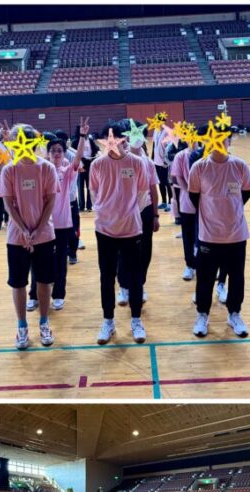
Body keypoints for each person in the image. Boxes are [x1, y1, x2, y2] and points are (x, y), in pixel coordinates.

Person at [188, 127, 250, 338]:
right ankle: (202, 315)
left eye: (223, 139)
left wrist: (230, 211)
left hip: (236, 235)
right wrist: (212, 214)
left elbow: (245, 193)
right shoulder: (199, 167)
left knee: (237, 277)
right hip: (209, 236)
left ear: (229, 141)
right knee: (205, 279)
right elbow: (194, 197)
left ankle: (234, 314)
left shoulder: (240, 165)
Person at [0, 123, 59, 349]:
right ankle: (22, 326)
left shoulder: (47, 168)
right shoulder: (9, 170)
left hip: (44, 235)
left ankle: (44, 322)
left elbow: (50, 201)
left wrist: (38, 230)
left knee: (43, 280)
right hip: (17, 237)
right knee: (18, 282)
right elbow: (8, 203)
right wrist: (24, 230)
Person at [89, 121, 150, 344]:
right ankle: (108, 321)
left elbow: (142, 193)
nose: (113, 141)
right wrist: (105, 212)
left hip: (131, 230)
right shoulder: (98, 164)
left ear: (124, 139)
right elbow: (94, 193)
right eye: (109, 137)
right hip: (105, 230)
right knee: (106, 277)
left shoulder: (137, 163)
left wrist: (129, 212)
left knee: (135, 278)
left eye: (117, 137)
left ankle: (136, 320)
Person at [47, 117, 89, 310]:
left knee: (60, 262)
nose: (56, 153)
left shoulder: (66, 171)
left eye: (59, 150)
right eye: (53, 150)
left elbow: (78, 159)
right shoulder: (42, 170)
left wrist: (82, 136)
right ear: (48, 153)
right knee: (42, 260)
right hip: (44, 224)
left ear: (64, 153)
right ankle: (35, 294)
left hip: (62, 224)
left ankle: (58, 294)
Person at [117, 119, 160, 306]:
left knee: (144, 250)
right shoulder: (118, 159)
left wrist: (156, 215)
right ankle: (124, 286)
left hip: (145, 210)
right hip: (124, 211)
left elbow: (153, 189)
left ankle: (139, 285)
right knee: (123, 250)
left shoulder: (148, 162)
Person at [171, 139, 202, 281]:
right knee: (188, 236)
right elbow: (178, 178)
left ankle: (204, 266)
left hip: (204, 204)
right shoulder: (180, 156)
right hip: (187, 203)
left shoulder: (204, 154)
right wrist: (191, 194)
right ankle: (189, 265)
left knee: (203, 237)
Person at [71, 125, 100, 212]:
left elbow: (96, 149)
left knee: (90, 186)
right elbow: (74, 155)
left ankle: (89, 205)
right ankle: (81, 206)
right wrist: (80, 163)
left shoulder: (90, 140)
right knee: (80, 186)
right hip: (80, 165)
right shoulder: (75, 142)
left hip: (90, 165)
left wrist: (98, 153)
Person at [151, 114, 172, 210]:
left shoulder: (167, 132)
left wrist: (166, 162)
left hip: (165, 163)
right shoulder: (156, 130)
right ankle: (163, 201)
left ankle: (170, 203)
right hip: (157, 162)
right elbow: (154, 145)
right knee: (160, 182)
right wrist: (152, 159)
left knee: (167, 182)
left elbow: (170, 148)